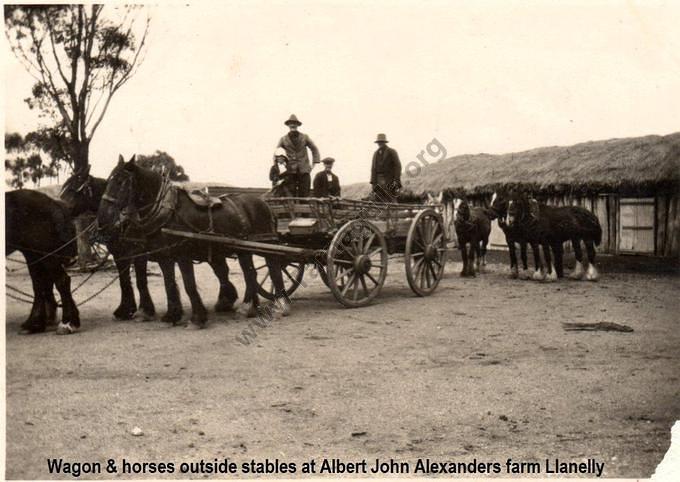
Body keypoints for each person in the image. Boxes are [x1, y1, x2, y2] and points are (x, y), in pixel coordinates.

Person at [276, 114, 320, 197]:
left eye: (295, 123)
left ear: (298, 125)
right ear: (288, 125)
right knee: (290, 192)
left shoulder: (305, 137)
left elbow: (314, 149)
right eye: (291, 123)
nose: (293, 125)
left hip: (304, 169)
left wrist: (314, 163)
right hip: (290, 171)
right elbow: (277, 152)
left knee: (304, 192)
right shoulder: (283, 139)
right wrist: (279, 166)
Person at [370, 133, 401, 202]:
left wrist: (396, 180)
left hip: (389, 179)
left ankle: (395, 211)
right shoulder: (375, 154)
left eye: (381, 142)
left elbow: (398, 166)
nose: (380, 144)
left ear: (385, 142)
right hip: (378, 180)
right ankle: (384, 212)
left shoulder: (392, 152)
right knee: (379, 199)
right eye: (379, 142)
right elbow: (373, 169)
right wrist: (373, 182)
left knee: (391, 197)